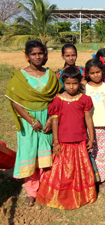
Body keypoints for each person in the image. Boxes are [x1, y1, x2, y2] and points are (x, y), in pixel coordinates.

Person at [5, 40, 61, 207]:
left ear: (45, 54)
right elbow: (15, 101)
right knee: (30, 154)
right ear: (27, 56)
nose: (37, 57)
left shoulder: (51, 75)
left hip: (47, 119)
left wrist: (51, 119)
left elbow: (56, 99)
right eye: (33, 54)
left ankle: (45, 188)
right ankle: (31, 191)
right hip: (28, 121)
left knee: (46, 154)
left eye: (40, 53)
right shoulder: (20, 76)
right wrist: (31, 121)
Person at [36, 67, 97, 209]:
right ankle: (61, 196)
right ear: (63, 82)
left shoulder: (84, 99)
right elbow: (55, 121)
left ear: (79, 83)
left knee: (79, 171)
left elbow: (88, 119)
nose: (71, 87)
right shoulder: (58, 100)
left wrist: (91, 138)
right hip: (63, 142)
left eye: (75, 83)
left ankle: (81, 196)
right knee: (61, 171)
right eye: (68, 83)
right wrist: (55, 141)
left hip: (80, 141)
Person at [85, 58, 105, 184]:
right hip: (87, 126)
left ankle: (101, 178)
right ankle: (89, 176)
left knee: (101, 154)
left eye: (98, 72)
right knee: (89, 152)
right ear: (87, 74)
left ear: (102, 71)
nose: (95, 75)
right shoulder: (84, 88)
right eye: (92, 73)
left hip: (103, 126)